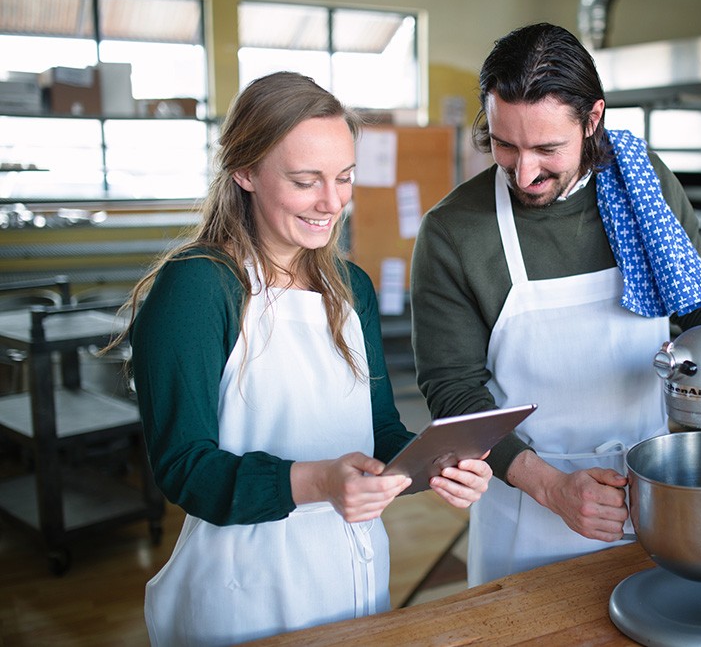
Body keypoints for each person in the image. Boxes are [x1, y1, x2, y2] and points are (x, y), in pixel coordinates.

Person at [409, 23, 701, 586]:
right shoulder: (455, 233)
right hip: (527, 508)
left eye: (548, 149)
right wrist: (550, 487)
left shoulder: (643, 189)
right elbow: (452, 390)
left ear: (593, 119)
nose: (524, 172)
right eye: (504, 145)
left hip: (658, 495)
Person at [112, 71, 492, 646]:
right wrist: (319, 482)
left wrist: (430, 466)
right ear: (245, 172)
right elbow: (185, 469)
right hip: (246, 591)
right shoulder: (198, 289)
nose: (332, 202)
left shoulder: (352, 289)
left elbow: (379, 430)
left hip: (354, 575)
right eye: (305, 180)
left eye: (344, 178)